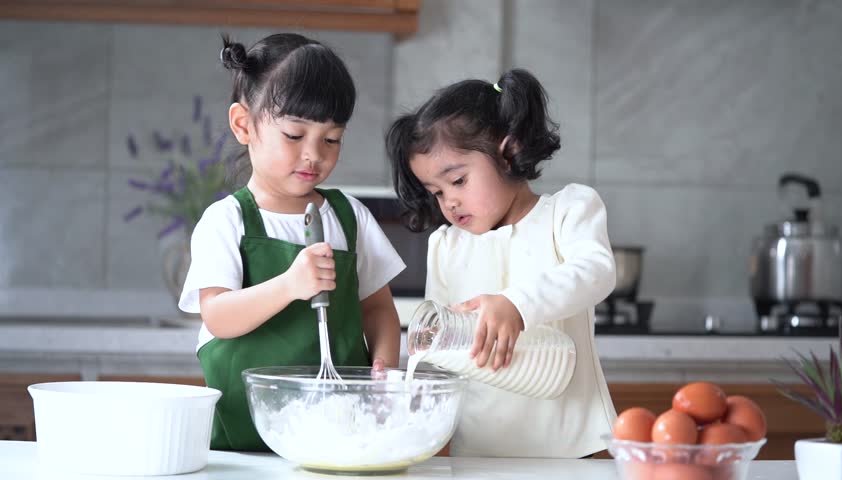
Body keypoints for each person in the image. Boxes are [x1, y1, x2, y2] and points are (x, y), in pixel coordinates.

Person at [179, 33, 404, 452]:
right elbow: (217, 317)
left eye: (331, 139)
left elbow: (377, 309)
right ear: (244, 125)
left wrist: (384, 369)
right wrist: (288, 285)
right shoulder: (227, 221)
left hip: (338, 440)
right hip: (242, 445)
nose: (314, 155)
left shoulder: (348, 217)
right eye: (295, 135)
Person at [385, 68, 617, 458]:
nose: (449, 202)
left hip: (573, 447)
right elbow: (439, 349)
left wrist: (517, 304)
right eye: (436, 192)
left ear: (507, 152)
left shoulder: (568, 211)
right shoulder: (446, 245)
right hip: (480, 453)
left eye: (457, 181)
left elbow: (596, 272)